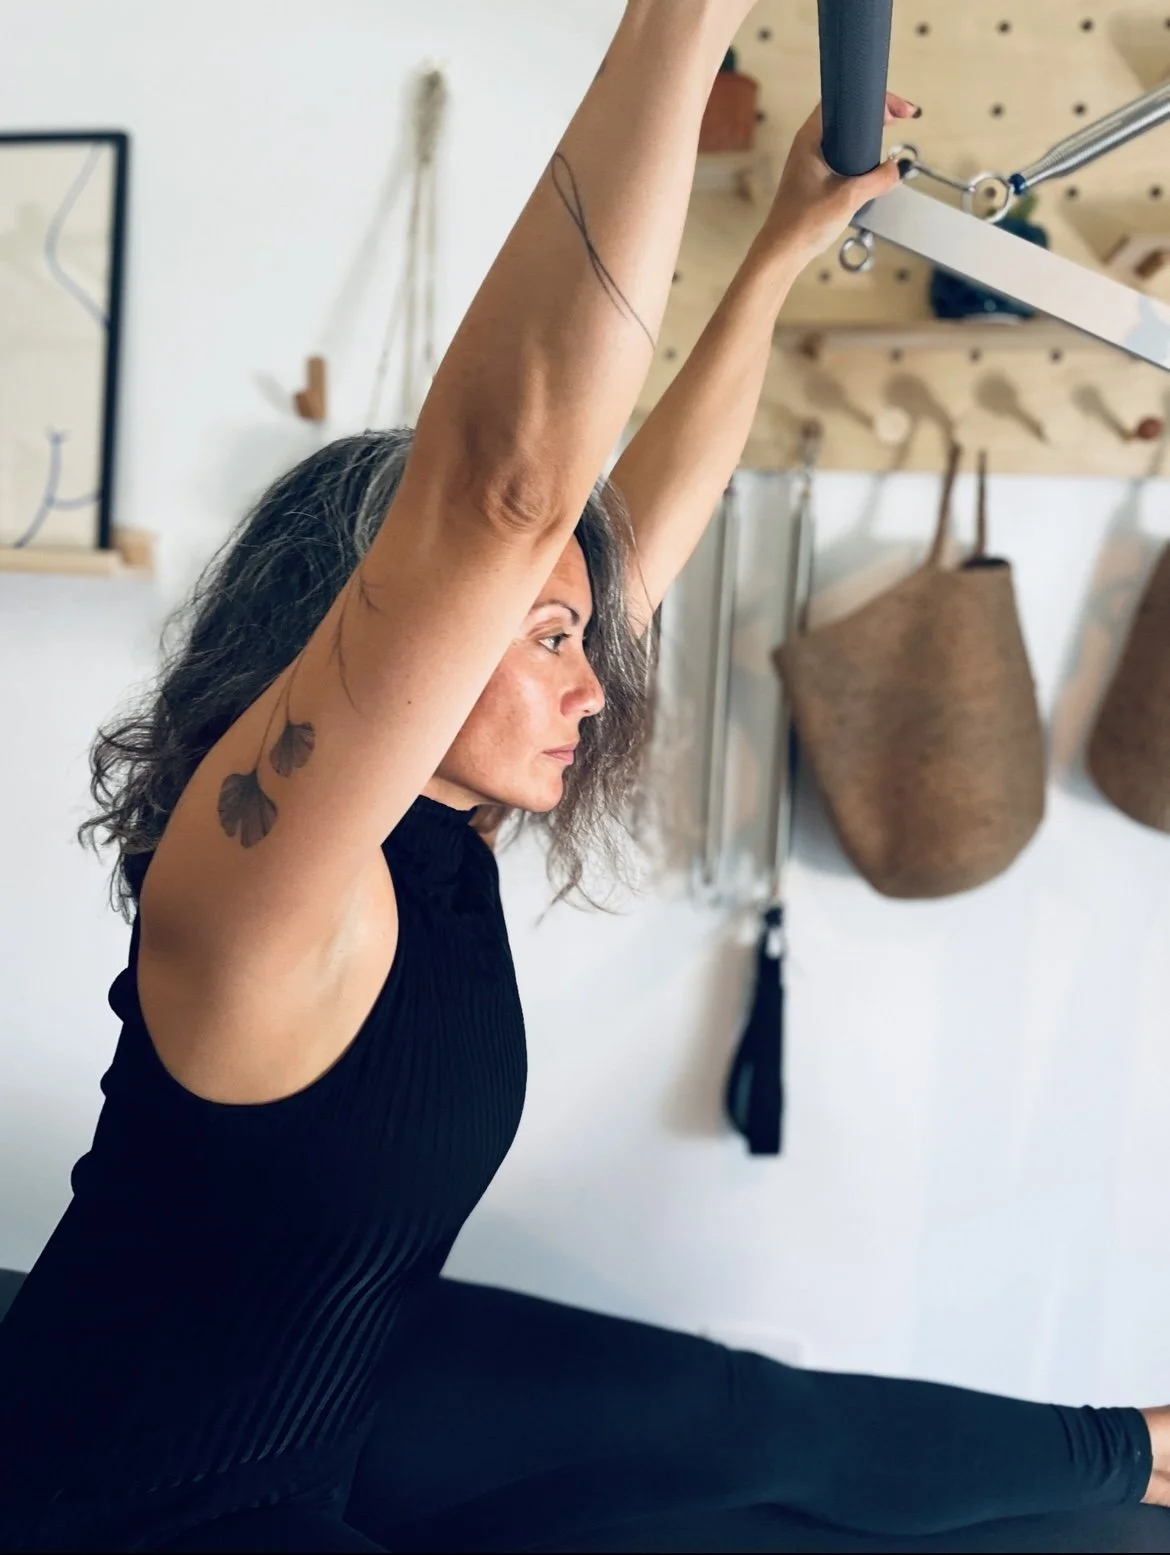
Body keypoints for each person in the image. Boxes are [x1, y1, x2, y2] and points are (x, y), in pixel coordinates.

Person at [1, 2, 1168, 1550]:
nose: (596, 672)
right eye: (544, 632)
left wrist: (774, 257)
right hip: (121, 1507)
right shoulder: (269, 895)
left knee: (743, 1418)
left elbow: (610, 526)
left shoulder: (442, 826)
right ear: (367, 631)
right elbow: (504, 488)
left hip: (327, 1401)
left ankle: (1141, 1450)